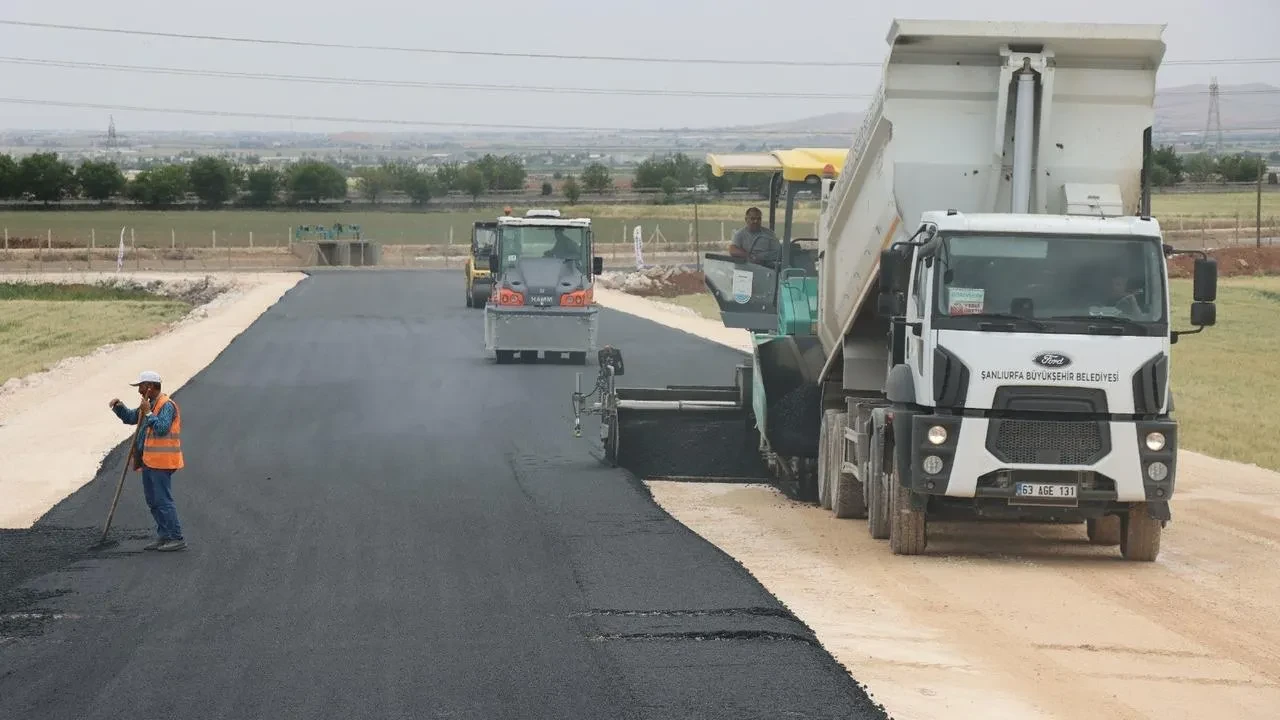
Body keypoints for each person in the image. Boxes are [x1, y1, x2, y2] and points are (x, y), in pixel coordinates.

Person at [109, 370, 186, 552]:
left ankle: (176, 537)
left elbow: (161, 428)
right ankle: (164, 535)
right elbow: (131, 418)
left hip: (162, 461)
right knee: (152, 500)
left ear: (150, 387)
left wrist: (149, 413)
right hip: (149, 461)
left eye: (141, 387)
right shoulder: (149, 404)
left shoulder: (166, 405)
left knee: (163, 500)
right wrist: (119, 407)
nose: (139, 391)